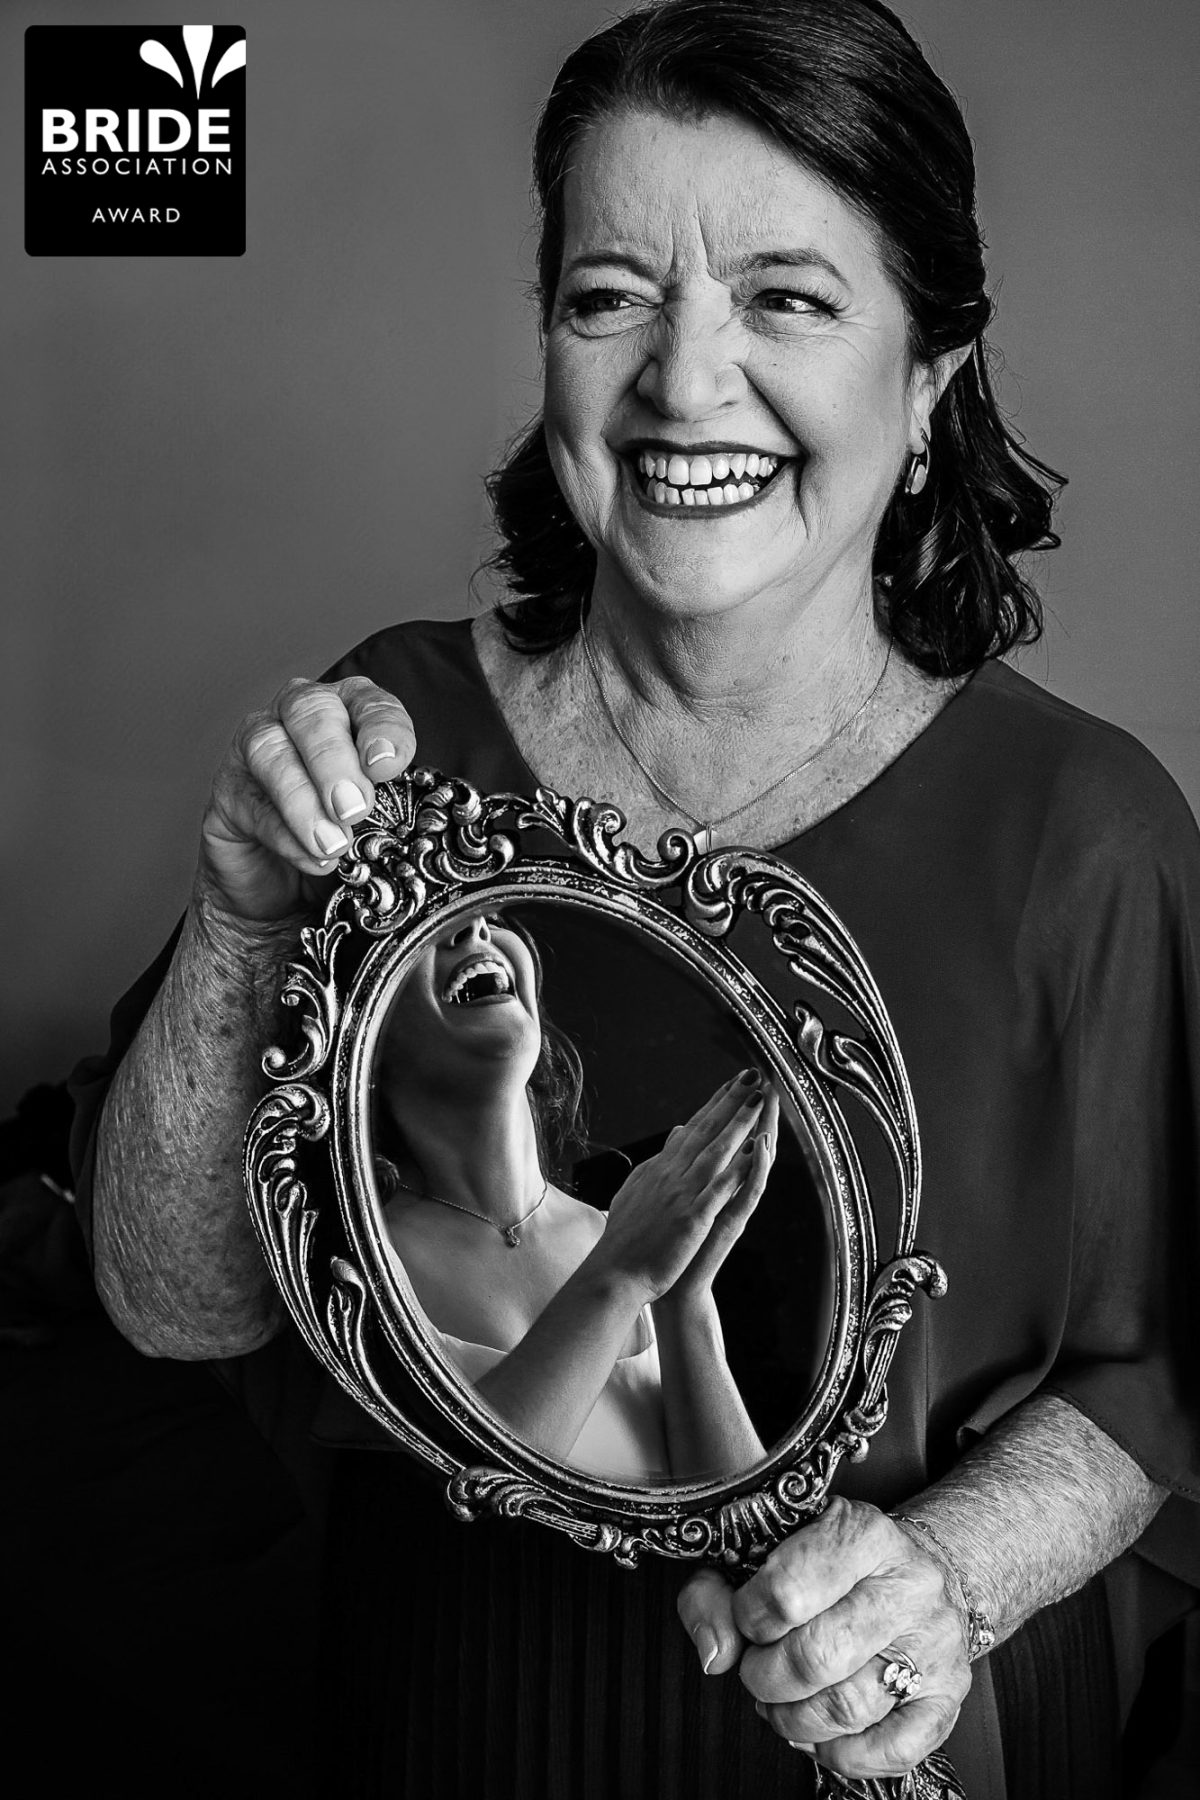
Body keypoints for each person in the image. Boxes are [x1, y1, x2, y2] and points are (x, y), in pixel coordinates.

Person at [70, 1, 1199, 1794]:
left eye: (788, 299)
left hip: (896, 1739)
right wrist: (237, 913)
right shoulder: (391, 739)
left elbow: (1162, 1367)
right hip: (445, 1716)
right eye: (611, 297)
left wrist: (950, 1579)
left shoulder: (1086, 832)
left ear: (930, 379)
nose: (684, 384)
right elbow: (175, 1305)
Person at [372, 906, 774, 1481]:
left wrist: (685, 1299)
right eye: (418, 925)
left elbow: (742, 1518)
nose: (473, 926)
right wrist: (620, 1276)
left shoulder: (642, 1234)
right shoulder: (363, 1258)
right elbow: (483, 1498)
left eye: (490, 911)